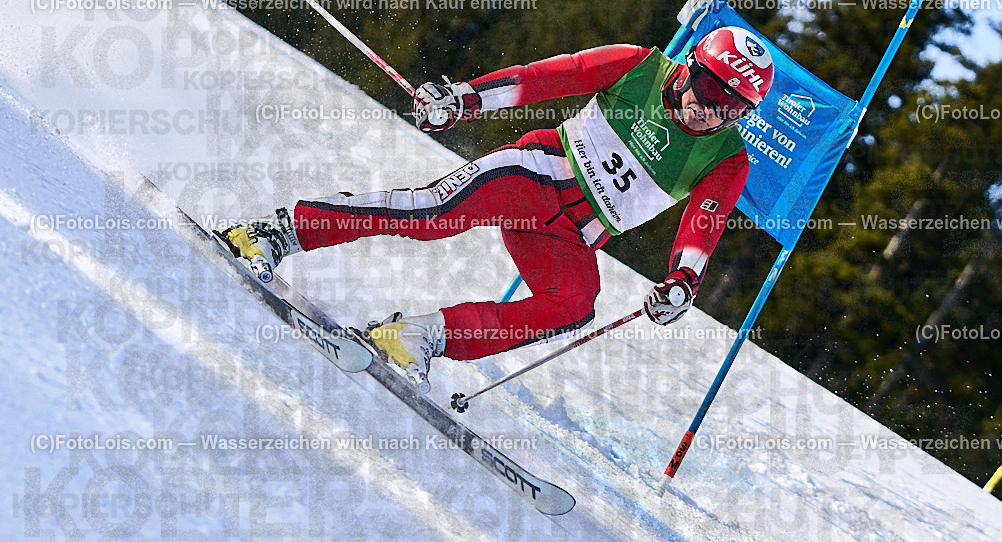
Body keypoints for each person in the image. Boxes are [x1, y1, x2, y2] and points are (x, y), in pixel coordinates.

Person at [219, 26, 774, 391]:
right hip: (536, 174)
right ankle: (277, 231)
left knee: (574, 303)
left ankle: (417, 336)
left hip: (572, 234)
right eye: (709, 88)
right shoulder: (640, 68)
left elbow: (706, 220)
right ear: (690, 67)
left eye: (732, 106)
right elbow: (550, 76)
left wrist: (683, 280)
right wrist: (466, 99)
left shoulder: (728, 158)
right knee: (432, 216)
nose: (710, 110)